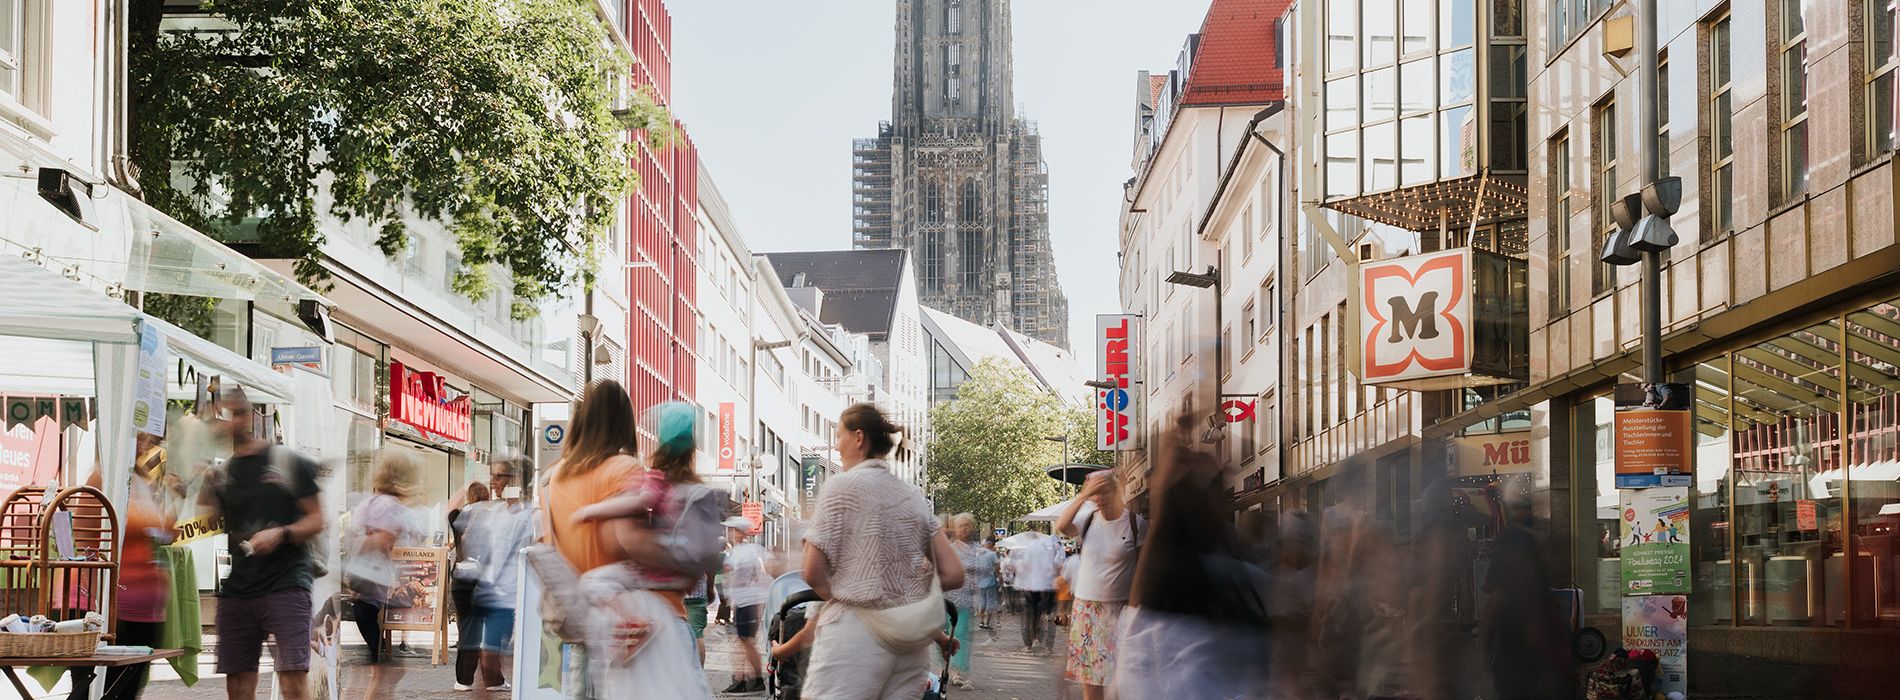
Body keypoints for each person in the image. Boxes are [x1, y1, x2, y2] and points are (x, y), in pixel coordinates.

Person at [546, 389, 713, 697]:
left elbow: (554, 547)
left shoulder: (555, 479)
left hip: (594, 625)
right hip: (647, 620)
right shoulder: (623, 468)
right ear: (624, 422)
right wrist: (686, 568)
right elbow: (625, 541)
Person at [800, 403, 965, 700]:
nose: (837, 447)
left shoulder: (840, 487)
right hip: (911, 640)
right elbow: (954, 573)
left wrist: (847, 594)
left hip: (854, 635)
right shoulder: (912, 496)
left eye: (839, 436)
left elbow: (812, 573)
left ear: (858, 437)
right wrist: (910, 591)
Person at [198, 387, 324, 700]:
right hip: (237, 588)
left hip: (286, 583)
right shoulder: (221, 473)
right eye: (220, 418)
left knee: (292, 682)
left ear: (248, 417)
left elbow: (317, 519)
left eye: (234, 414)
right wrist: (197, 487)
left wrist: (281, 534)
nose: (228, 423)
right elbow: (210, 525)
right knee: (238, 685)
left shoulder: (285, 461)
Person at [344, 449, 424, 699]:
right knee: (384, 670)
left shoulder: (367, 503)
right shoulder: (390, 507)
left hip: (363, 590)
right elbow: (383, 540)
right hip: (373, 589)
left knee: (381, 665)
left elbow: (357, 539)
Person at [1055, 470, 1140, 700]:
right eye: (1096, 494)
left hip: (1121, 609)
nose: (1100, 498)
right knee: (1091, 681)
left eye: (1105, 492)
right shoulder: (1088, 520)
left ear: (1116, 491)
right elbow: (1062, 525)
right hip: (1087, 609)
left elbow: (1144, 569)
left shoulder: (1134, 523)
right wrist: (1084, 496)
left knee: (1120, 682)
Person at [457, 456, 535, 693]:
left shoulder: (530, 515)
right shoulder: (494, 512)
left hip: (506, 597)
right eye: (493, 475)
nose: (493, 481)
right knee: (484, 663)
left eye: (499, 476)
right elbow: (469, 538)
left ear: (515, 480)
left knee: (489, 662)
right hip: (485, 593)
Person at [716, 517, 771, 693]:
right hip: (745, 601)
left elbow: (732, 572)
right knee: (743, 641)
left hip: (747, 602)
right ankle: (744, 679)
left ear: (739, 532)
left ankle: (753, 680)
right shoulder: (748, 550)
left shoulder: (742, 552)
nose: (730, 533)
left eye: (732, 530)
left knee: (746, 641)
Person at [447, 480, 490, 690]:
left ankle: (488, 678)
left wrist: (465, 487)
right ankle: (465, 680)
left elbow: (449, 506)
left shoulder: (460, 517)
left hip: (459, 582)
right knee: (479, 632)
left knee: (467, 629)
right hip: (480, 581)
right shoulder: (489, 519)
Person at [943, 513, 990, 687]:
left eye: (967, 525)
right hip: (947, 600)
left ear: (972, 528)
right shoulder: (949, 548)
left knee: (961, 634)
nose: (964, 529)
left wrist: (969, 568)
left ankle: (961, 672)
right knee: (947, 635)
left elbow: (986, 568)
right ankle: (950, 669)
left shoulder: (978, 549)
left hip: (965, 601)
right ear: (955, 529)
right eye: (961, 525)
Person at [1007, 529, 1060, 653]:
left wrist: (1017, 569)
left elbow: (1022, 566)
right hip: (1046, 587)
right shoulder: (1046, 548)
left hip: (1029, 586)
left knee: (1028, 615)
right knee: (1047, 614)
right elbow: (1052, 568)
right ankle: (1046, 645)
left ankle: (1028, 645)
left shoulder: (1027, 549)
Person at [974, 538, 1001, 639]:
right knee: (990, 602)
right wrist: (995, 572)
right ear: (991, 544)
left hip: (979, 582)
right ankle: (987, 623)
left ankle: (981, 622)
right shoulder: (992, 554)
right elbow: (998, 567)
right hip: (990, 582)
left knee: (982, 602)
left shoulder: (978, 554)